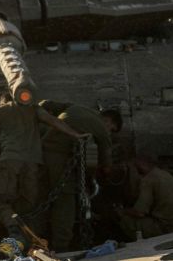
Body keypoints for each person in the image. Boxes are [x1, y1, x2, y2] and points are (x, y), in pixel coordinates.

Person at [0, 94, 83, 226]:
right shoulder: (33, 109)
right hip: (33, 163)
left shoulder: (0, 111)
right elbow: (54, 121)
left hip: (11, 161)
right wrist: (77, 135)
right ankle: (25, 233)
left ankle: (15, 228)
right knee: (28, 203)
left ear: (2, 102)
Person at [38, 101, 121, 251]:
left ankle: (33, 239)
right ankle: (61, 247)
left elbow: (46, 103)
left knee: (39, 198)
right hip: (59, 158)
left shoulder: (79, 106)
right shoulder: (101, 129)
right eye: (112, 129)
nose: (110, 132)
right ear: (107, 121)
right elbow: (107, 164)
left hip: (38, 152)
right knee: (65, 202)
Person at [117, 156, 173, 240]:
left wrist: (122, 211)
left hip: (167, 227)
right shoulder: (165, 174)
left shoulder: (148, 180)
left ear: (140, 166)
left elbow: (139, 212)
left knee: (125, 220)